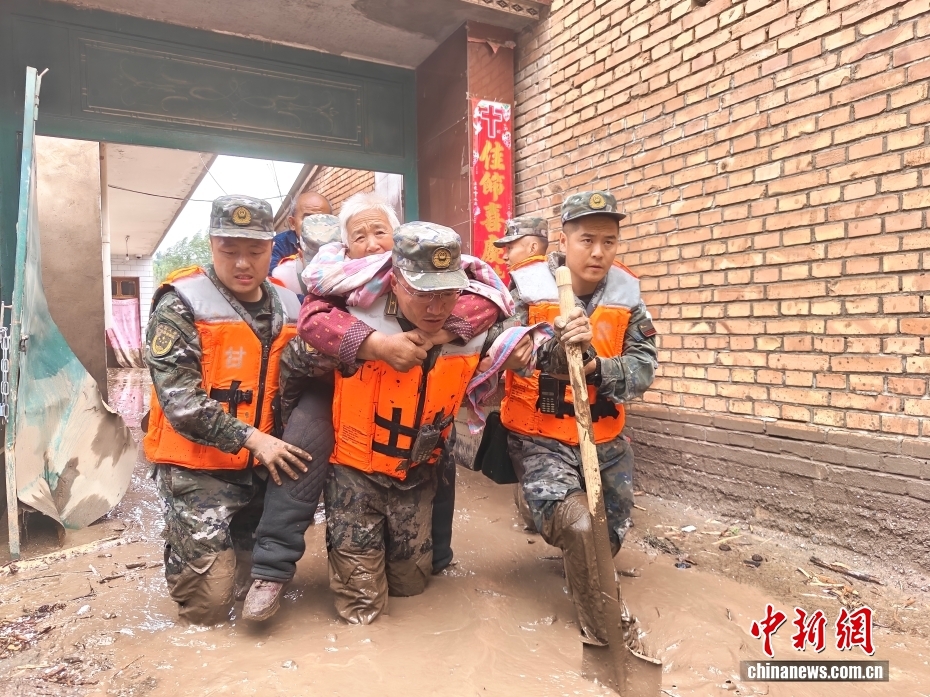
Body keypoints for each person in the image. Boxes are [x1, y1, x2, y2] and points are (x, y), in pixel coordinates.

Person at [242, 193, 505, 621]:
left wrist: (442, 334)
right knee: (302, 452)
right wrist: (376, 345)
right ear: (344, 245)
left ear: (397, 240)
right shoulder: (336, 278)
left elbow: (491, 301)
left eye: (379, 232)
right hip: (329, 387)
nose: (370, 244)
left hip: (409, 405)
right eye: (358, 236)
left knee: (439, 454)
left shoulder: (433, 279)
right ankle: (272, 568)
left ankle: (437, 556)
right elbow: (311, 325)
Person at [143, 195, 313, 625]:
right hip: (197, 472)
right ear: (211, 244)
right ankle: (187, 549)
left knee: (254, 584)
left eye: (254, 251)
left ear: (271, 246)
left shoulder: (290, 305)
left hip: (261, 474)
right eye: (229, 250)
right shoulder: (180, 304)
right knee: (210, 611)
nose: (242, 263)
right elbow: (181, 402)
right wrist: (252, 439)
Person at [500, 190, 658, 646]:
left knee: (609, 533)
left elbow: (644, 366)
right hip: (540, 434)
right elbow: (501, 341)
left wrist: (596, 367)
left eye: (609, 242)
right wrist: (550, 348)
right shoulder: (526, 287)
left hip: (604, 438)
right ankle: (607, 631)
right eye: (587, 240)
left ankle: (583, 565)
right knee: (577, 523)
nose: (598, 252)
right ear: (564, 241)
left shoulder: (628, 294)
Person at [271, 214, 341, 299]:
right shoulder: (282, 278)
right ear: (300, 254)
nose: (323, 272)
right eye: (316, 260)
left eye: (331, 261)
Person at [270, 191, 332, 269]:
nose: (316, 225)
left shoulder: (341, 242)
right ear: (292, 223)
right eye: (308, 219)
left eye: (323, 218)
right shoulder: (278, 244)